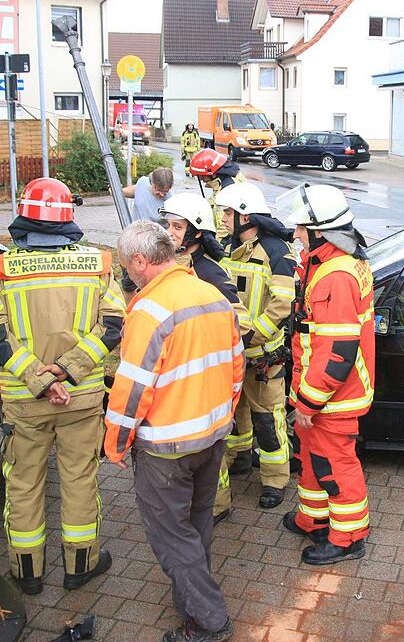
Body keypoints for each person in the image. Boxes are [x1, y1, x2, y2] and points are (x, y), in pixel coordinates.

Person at [0, 177, 123, 596]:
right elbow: (114, 326)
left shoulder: (3, 270)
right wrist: (65, 371)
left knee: (24, 485)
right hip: (81, 397)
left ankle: (27, 574)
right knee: (80, 480)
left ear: (23, 215)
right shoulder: (97, 265)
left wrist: (40, 380)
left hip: (25, 403)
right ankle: (80, 566)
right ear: (68, 216)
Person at [104, 220, 244, 642]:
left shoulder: (150, 310)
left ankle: (209, 620)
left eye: (126, 265)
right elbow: (236, 366)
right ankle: (191, 601)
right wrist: (222, 416)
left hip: (166, 448)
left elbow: (132, 388)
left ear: (140, 261)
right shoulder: (212, 295)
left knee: (172, 538)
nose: (127, 274)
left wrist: (116, 444)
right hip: (212, 436)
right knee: (197, 524)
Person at [277, 183, 374, 566]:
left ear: (321, 230)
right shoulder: (332, 262)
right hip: (320, 392)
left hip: (332, 397)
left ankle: (348, 537)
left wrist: (308, 402)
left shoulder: (335, 276)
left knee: (335, 465)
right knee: (312, 457)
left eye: (302, 228)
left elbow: (336, 353)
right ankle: (315, 519)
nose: (296, 234)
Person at [210, 183, 297, 520]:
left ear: (245, 216)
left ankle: (275, 480)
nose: (223, 218)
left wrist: (251, 337)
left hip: (262, 356)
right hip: (234, 353)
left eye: (228, 213)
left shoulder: (277, 251)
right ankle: (241, 457)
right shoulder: (228, 247)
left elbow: (282, 304)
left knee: (268, 420)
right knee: (236, 414)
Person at [189, 149, 246, 240]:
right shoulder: (223, 182)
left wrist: (216, 245)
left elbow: (224, 228)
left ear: (213, 174)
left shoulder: (228, 190)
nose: (202, 179)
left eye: (202, 175)